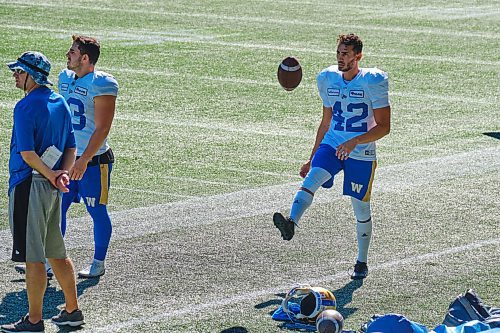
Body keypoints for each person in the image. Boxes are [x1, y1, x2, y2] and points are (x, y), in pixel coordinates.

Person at [273, 33, 391, 280]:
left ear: (358, 56)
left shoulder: (372, 81)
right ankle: (291, 223)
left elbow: (384, 126)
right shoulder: (328, 79)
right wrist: (311, 156)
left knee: (360, 207)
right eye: (338, 52)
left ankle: (361, 261)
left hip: (361, 149)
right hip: (333, 142)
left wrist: (354, 141)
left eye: (346, 53)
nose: (340, 57)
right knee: (312, 178)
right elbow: (326, 122)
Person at [2, 51, 84, 333]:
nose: (14, 75)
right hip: (52, 188)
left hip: (29, 186)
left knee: (33, 257)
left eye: (18, 72)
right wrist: (61, 175)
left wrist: (50, 174)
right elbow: (71, 146)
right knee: (56, 253)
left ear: (31, 76)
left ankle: (34, 321)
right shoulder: (59, 102)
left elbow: (26, 153)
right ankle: (72, 311)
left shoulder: (25, 107)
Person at [59, 35, 119, 278]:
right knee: (57, 209)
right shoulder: (64, 78)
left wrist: (83, 160)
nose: (67, 55)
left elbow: (103, 127)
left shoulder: (101, 83)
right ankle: (53, 259)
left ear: (85, 58)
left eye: (72, 52)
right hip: (67, 158)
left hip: (93, 162)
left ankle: (98, 261)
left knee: (96, 210)